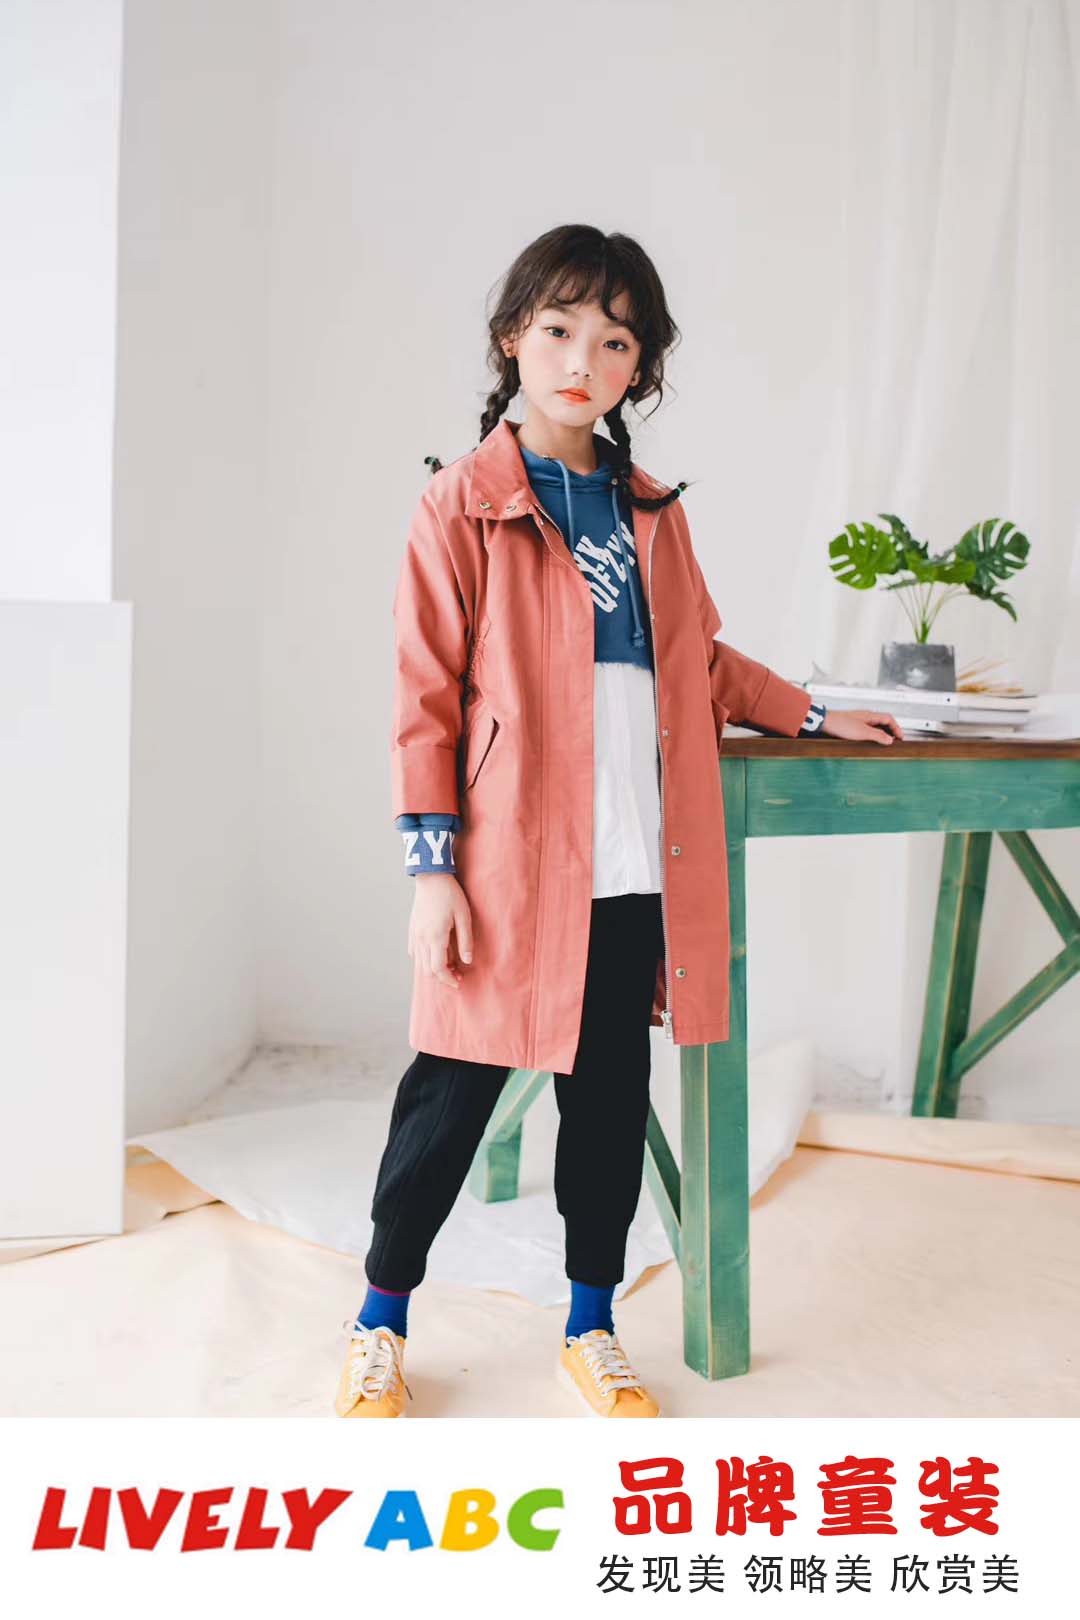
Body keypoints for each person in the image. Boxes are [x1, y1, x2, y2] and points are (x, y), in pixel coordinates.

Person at [334, 224, 901, 1420]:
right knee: (447, 1105)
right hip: (507, 871)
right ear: (513, 338)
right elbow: (422, 695)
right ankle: (380, 1319)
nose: (581, 361)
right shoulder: (462, 503)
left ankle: (589, 1325)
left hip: (634, 864)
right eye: (558, 330)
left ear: (640, 368)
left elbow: (700, 662)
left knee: (605, 1109)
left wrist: (811, 711)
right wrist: (433, 869)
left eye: (614, 342)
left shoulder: (651, 511)